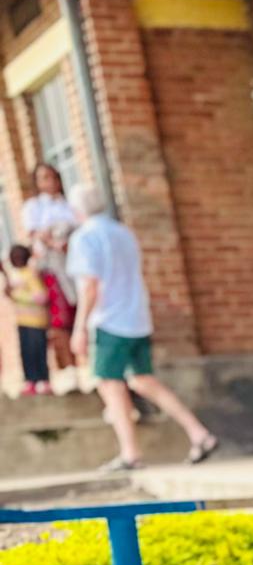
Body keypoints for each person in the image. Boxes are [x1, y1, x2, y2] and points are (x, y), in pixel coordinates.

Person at [65, 183, 217, 470]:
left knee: (110, 385)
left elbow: (90, 287)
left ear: (77, 210)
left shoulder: (85, 237)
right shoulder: (124, 233)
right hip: (136, 318)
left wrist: (79, 328)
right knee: (142, 380)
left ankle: (130, 453)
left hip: (109, 320)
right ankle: (199, 433)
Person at [19, 163, 76, 385]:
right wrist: (53, 242)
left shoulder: (67, 205)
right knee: (59, 319)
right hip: (51, 267)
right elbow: (35, 233)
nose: (49, 182)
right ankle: (68, 368)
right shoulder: (34, 207)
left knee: (77, 315)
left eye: (52, 177)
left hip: (72, 266)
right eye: (44, 178)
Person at [7, 244, 55, 394]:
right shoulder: (16, 275)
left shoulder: (30, 274)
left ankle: (42, 380)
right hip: (23, 320)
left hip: (35, 321)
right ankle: (30, 380)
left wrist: (16, 295)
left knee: (37, 351)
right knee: (26, 351)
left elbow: (41, 297)